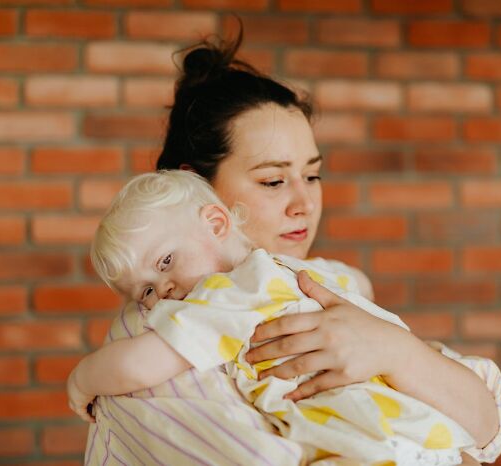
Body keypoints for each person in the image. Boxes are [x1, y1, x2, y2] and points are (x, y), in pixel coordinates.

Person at [76, 31, 501, 465]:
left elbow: (486, 428)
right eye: (273, 181)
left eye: (313, 176)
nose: (305, 204)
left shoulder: (318, 284)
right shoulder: (162, 327)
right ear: (202, 196)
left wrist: (395, 350)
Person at [69, 169, 476, 465]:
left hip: (360, 436)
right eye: (146, 291)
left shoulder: (221, 294)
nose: (164, 291)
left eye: (165, 261)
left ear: (215, 223)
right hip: (413, 430)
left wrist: (81, 379)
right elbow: (356, 281)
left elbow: (138, 365)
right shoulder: (274, 273)